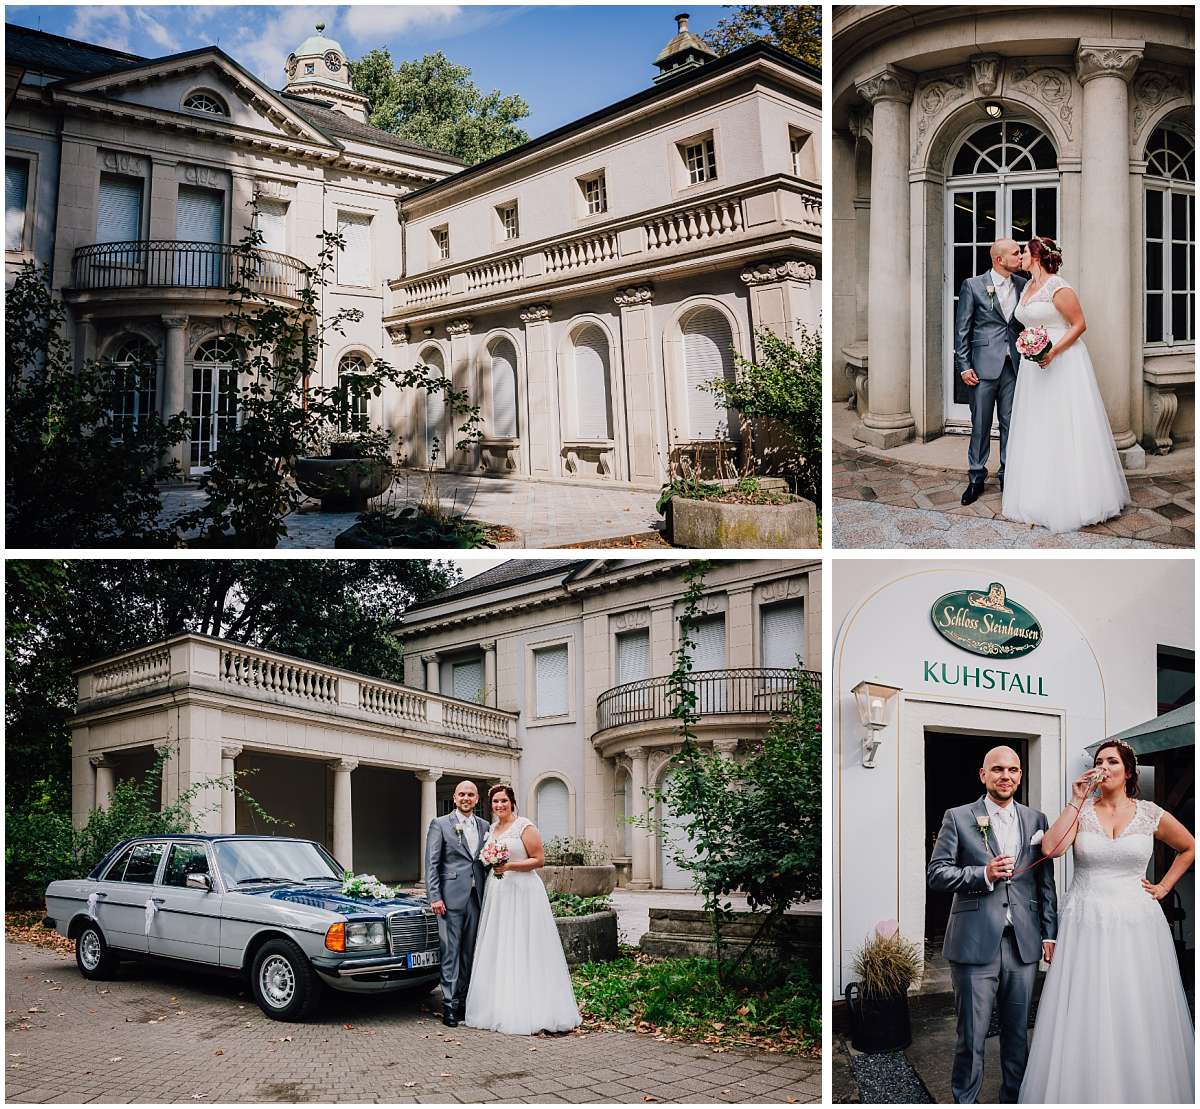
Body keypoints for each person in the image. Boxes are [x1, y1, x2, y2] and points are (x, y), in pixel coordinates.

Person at [1019, 740, 1195, 1103]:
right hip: (1087, 920)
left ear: (1128, 772)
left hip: (1138, 924)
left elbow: (1190, 846)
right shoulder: (1081, 812)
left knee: (1135, 1001)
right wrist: (1075, 798)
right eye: (1099, 761)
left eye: (1112, 761)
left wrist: (1163, 886)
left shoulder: (1149, 813)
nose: (1104, 767)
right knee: (1086, 1004)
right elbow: (1051, 849)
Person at [927, 746, 1058, 1103]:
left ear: (1020, 775)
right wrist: (981, 873)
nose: (1007, 776)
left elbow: (1045, 881)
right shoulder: (958, 816)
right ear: (983, 775)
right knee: (971, 1036)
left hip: (1023, 943)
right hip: (974, 942)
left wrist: (1049, 932)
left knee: (1019, 1034)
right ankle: (965, 1101)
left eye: (1013, 770)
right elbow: (936, 874)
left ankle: (1013, 1099)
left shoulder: (1037, 820)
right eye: (998, 769)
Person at [1001, 236, 1130, 532]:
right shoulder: (1028, 288)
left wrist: (1053, 351)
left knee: (1063, 424)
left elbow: (1079, 324)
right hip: (1034, 367)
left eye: (1023, 252)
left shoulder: (1059, 287)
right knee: (1038, 426)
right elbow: (1028, 323)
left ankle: (1075, 500)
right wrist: (1031, 347)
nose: (1019, 256)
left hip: (1062, 361)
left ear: (1036, 256)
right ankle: (1036, 497)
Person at [463, 784, 581, 1035]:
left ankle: (533, 1009)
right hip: (499, 893)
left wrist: (510, 866)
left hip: (523, 890)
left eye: (504, 801)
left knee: (525, 944)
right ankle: (498, 1007)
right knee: (501, 945)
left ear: (512, 802)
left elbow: (539, 860)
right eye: (495, 802)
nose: (499, 805)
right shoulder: (491, 829)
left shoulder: (524, 826)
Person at [953, 238, 1029, 506]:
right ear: (1000, 259)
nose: (1021, 257)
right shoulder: (973, 286)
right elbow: (962, 329)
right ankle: (976, 477)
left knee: (1010, 423)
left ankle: (1008, 475)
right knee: (981, 424)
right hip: (982, 368)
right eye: (1015, 253)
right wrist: (964, 366)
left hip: (1014, 366)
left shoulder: (1023, 285)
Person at [424, 780, 491, 1028]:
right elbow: (432, 863)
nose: (466, 798)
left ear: (476, 799)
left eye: (470, 795)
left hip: (477, 898)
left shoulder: (485, 826)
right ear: (454, 798)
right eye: (461, 794)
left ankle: (464, 1002)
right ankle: (449, 1006)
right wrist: (435, 897)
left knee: (470, 952)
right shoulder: (440, 824)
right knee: (451, 952)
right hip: (450, 899)